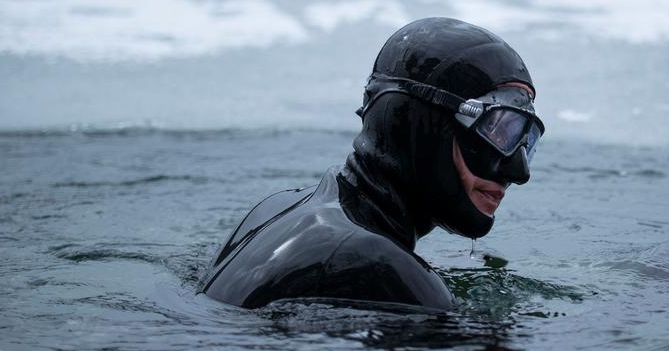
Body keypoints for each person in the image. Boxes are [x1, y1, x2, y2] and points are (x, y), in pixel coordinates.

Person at [201, 17, 544, 310]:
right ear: (417, 124)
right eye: (500, 130)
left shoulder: (277, 209)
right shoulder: (375, 265)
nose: (518, 170)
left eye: (526, 139)